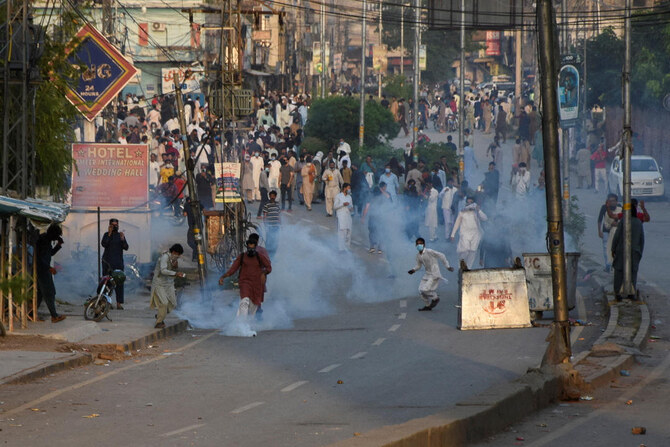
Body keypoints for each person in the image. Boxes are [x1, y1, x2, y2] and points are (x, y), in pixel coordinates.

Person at [219, 238, 272, 327]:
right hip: (245, 283)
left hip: (256, 285)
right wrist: (223, 277)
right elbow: (233, 269)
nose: (250, 250)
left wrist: (264, 273)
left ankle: (248, 325)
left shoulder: (260, 257)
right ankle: (241, 325)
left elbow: (269, 267)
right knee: (244, 301)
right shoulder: (242, 256)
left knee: (253, 307)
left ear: (255, 248)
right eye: (249, 248)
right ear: (246, 247)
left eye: (252, 248)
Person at [408, 237, 454, 311]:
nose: (419, 245)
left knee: (425, 290)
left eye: (420, 244)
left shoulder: (429, 251)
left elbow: (441, 255)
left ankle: (435, 298)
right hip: (427, 274)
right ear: (415, 245)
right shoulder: (418, 256)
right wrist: (413, 270)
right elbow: (418, 265)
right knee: (420, 291)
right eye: (417, 244)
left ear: (424, 244)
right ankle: (427, 306)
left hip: (434, 274)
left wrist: (447, 266)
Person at [149, 244, 187, 329]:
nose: (178, 256)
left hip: (168, 283)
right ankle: (159, 322)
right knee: (164, 302)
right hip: (159, 283)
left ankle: (160, 314)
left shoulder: (172, 259)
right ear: (174, 252)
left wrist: (175, 267)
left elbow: (172, 269)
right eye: (178, 254)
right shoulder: (165, 257)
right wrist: (176, 273)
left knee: (173, 303)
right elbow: (163, 270)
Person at [35, 224, 67, 323]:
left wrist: (58, 245)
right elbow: (40, 258)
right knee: (49, 292)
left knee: (40, 293)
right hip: (43, 270)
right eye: (57, 235)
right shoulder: (44, 241)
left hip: (43, 269)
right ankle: (54, 316)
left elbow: (50, 253)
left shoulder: (46, 239)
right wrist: (49, 268)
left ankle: (31, 313)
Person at [611, 206, 644, 301]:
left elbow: (617, 236)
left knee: (619, 271)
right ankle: (631, 293)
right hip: (635, 251)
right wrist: (640, 252)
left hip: (621, 250)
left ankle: (617, 293)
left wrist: (613, 249)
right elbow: (642, 240)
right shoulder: (638, 222)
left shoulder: (623, 221)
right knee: (633, 271)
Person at [451, 196, 488, 269]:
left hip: (475, 234)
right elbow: (457, 223)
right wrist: (453, 234)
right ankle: (461, 266)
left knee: (473, 251)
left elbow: (485, 218)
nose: (469, 204)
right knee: (465, 250)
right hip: (465, 234)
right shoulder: (462, 212)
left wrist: (478, 210)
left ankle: (468, 268)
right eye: (468, 202)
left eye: (471, 203)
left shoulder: (476, 212)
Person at [101, 218, 129, 310]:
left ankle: (119, 303)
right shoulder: (106, 234)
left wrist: (122, 239)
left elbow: (126, 247)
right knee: (107, 283)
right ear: (109, 225)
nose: (115, 227)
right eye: (113, 225)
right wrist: (109, 233)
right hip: (107, 263)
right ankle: (106, 302)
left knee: (119, 282)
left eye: (116, 225)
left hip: (118, 263)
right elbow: (104, 244)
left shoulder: (120, 235)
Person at [597, 193, 621, 272]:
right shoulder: (604, 207)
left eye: (613, 201)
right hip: (606, 231)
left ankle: (614, 264)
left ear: (617, 201)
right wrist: (599, 231)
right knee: (606, 247)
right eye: (610, 201)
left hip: (616, 232)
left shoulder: (620, 208)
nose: (612, 203)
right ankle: (608, 264)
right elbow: (600, 219)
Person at [334, 183, 354, 252]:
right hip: (341, 216)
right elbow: (335, 206)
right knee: (342, 232)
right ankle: (341, 249)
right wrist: (343, 204)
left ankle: (347, 248)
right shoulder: (338, 196)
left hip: (348, 216)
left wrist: (351, 208)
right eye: (348, 188)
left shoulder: (349, 197)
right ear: (344, 188)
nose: (349, 190)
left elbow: (351, 206)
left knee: (349, 232)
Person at [262, 191, 281, 257]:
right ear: (269, 196)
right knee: (269, 239)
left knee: (275, 239)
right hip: (269, 226)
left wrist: (280, 223)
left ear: (275, 197)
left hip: (276, 226)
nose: (272, 197)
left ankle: (273, 253)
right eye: (271, 196)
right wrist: (265, 224)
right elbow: (265, 215)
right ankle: (267, 252)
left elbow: (278, 215)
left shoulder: (277, 205)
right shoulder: (266, 205)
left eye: (273, 196)